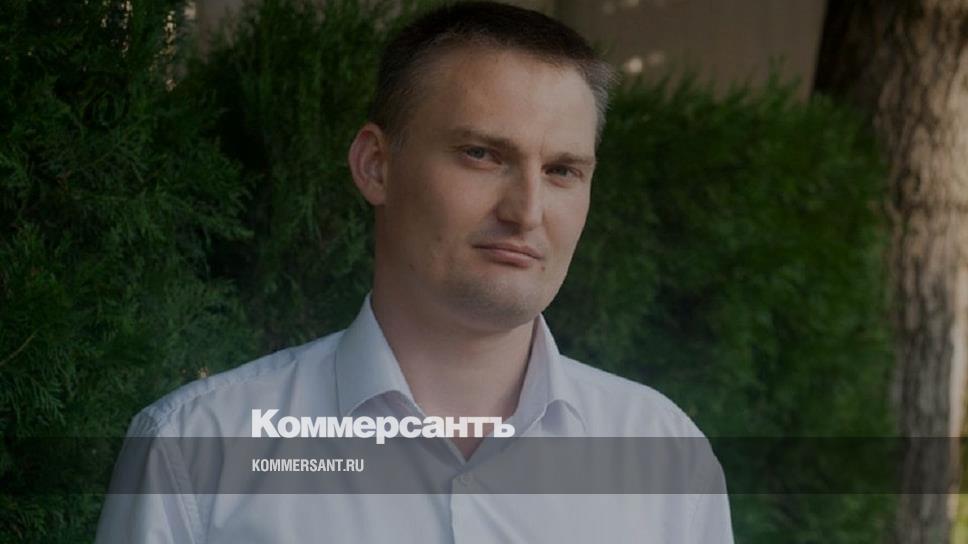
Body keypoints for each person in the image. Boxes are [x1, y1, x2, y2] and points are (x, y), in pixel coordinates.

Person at [96, 2, 734, 542]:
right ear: (375, 165)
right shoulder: (196, 452)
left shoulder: (666, 460)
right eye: (481, 154)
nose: (527, 211)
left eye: (562, 170)